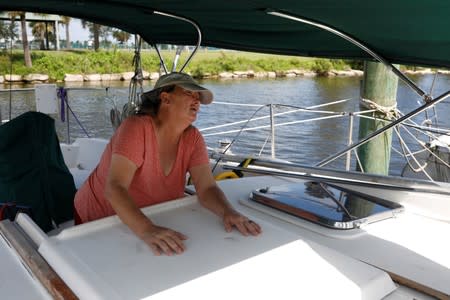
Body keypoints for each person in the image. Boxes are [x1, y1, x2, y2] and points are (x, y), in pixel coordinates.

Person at [74, 72, 261, 256]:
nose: (196, 101)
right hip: (99, 218)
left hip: (152, 214)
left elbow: (206, 188)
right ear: (166, 98)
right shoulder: (136, 128)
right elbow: (114, 188)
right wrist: (147, 229)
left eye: (198, 97)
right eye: (189, 94)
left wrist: (228, 212)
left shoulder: (193, 138)